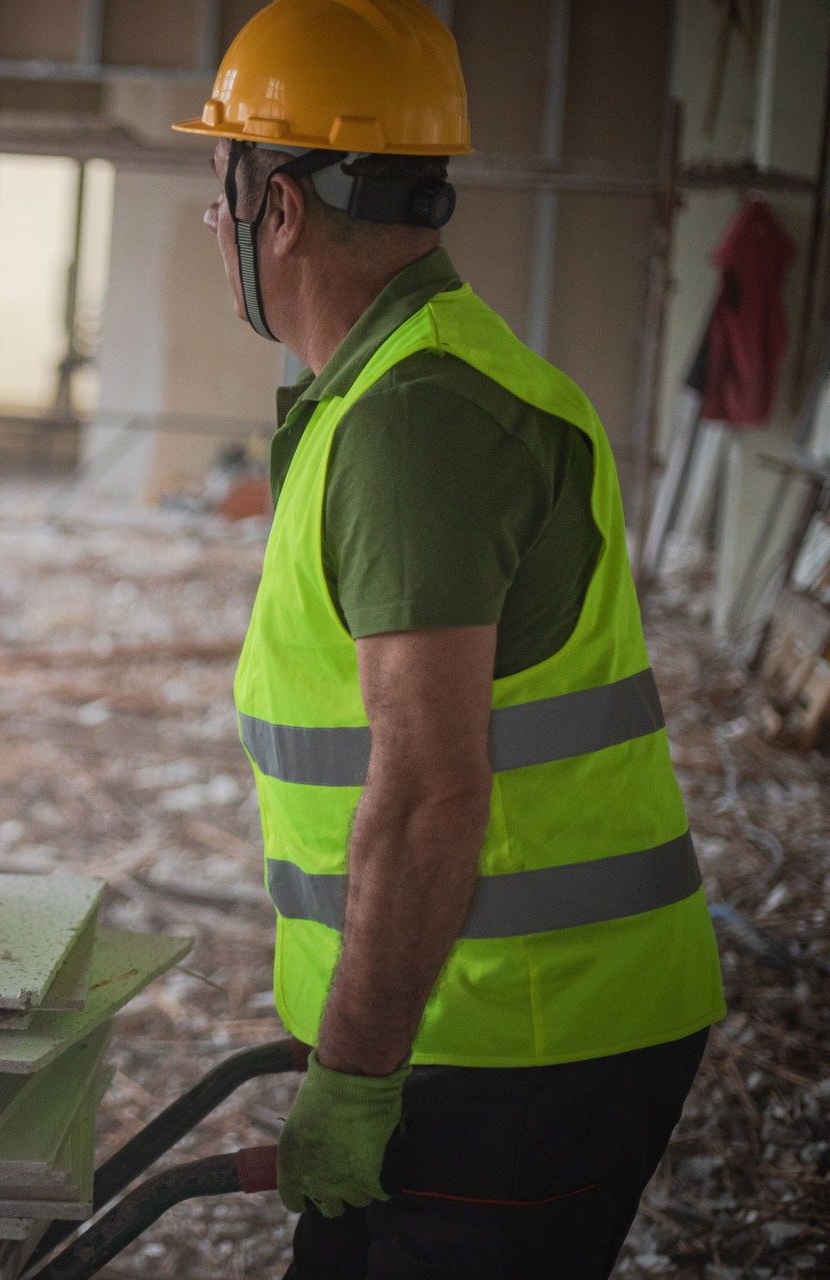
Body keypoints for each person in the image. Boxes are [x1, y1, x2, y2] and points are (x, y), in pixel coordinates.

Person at [171, 2, 727, 1276]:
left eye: (221, 187)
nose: (215, 223)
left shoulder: (417, 421)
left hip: (521, 1037)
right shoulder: (395, 385)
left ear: (282, 209)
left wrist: (357, 1072)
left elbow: (427, 790)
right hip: (471, 1016)